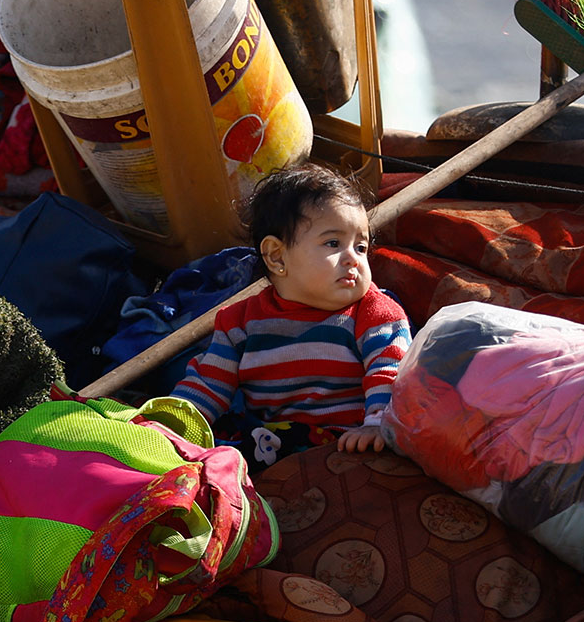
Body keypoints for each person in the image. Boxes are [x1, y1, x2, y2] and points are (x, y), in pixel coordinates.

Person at [171, 163, 411, 465]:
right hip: (268, 447)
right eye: (333, 243)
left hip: (352, 442)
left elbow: (390, 373)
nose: (353, 258)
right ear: (276, 255)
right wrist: (171, 426)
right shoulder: (239, 323)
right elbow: (206, 386)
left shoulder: (375, 313)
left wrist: (377, 425)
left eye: (361, 246)